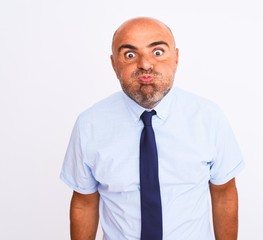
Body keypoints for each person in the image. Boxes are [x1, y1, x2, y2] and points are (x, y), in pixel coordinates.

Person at [60, 17, 245, 240]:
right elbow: (84, 202)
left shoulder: (208, 117)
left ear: (176, 57)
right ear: (113, 64)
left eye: (157, 52)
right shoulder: (89, 125)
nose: (145, 64)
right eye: (130, 54)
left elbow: (224, 193)